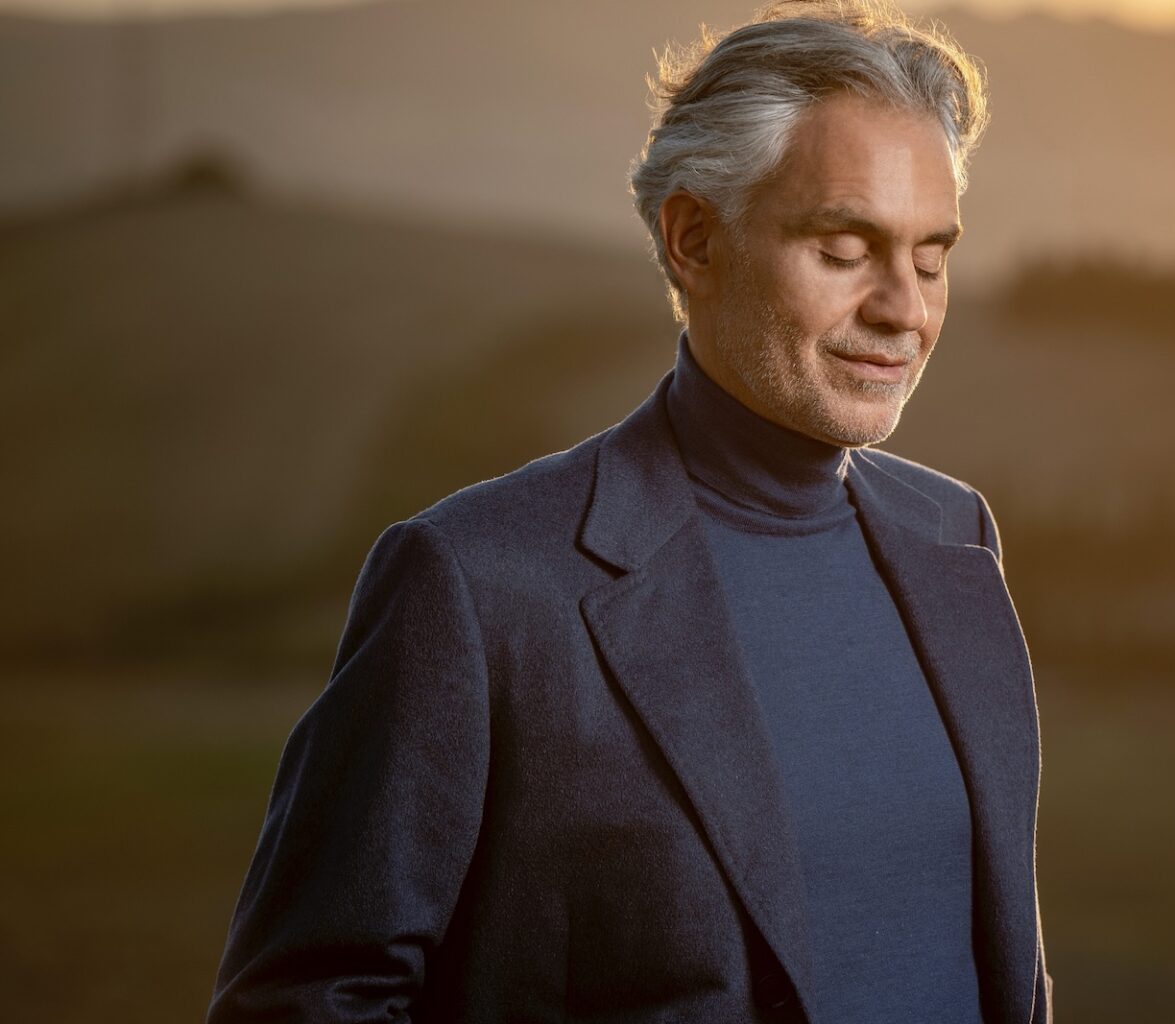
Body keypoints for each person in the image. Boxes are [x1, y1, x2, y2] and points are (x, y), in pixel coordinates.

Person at [205, 2, 1050, 1022]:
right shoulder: (477, 585)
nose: (904, 308)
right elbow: (303, 1000)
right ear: (693, 240)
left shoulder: (957, 538)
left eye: (930, 257)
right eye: (843, 248)